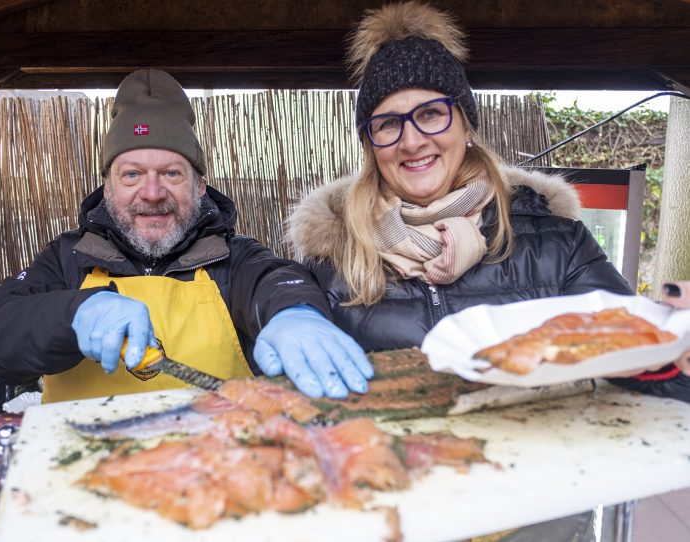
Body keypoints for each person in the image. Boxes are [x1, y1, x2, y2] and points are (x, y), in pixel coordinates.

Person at [285, 1, 689, 406]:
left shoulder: (558, 245)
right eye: (388, 124)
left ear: (465, 126)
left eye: (430, 114)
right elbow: (301, 398)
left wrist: (675, 353)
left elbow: (642, 368)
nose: (411, 141)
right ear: (372, 147)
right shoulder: (332, 263)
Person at [0, 69, 372, 403]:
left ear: (199, 186)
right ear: (107, 188)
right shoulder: (67, 258)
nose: (153, 192)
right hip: (82, 479)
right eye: (132, 174)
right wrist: (74, 311)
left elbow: (278, 281)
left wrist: (295, 314)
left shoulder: (234, 259)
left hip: (209, 475)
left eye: (172, 173)